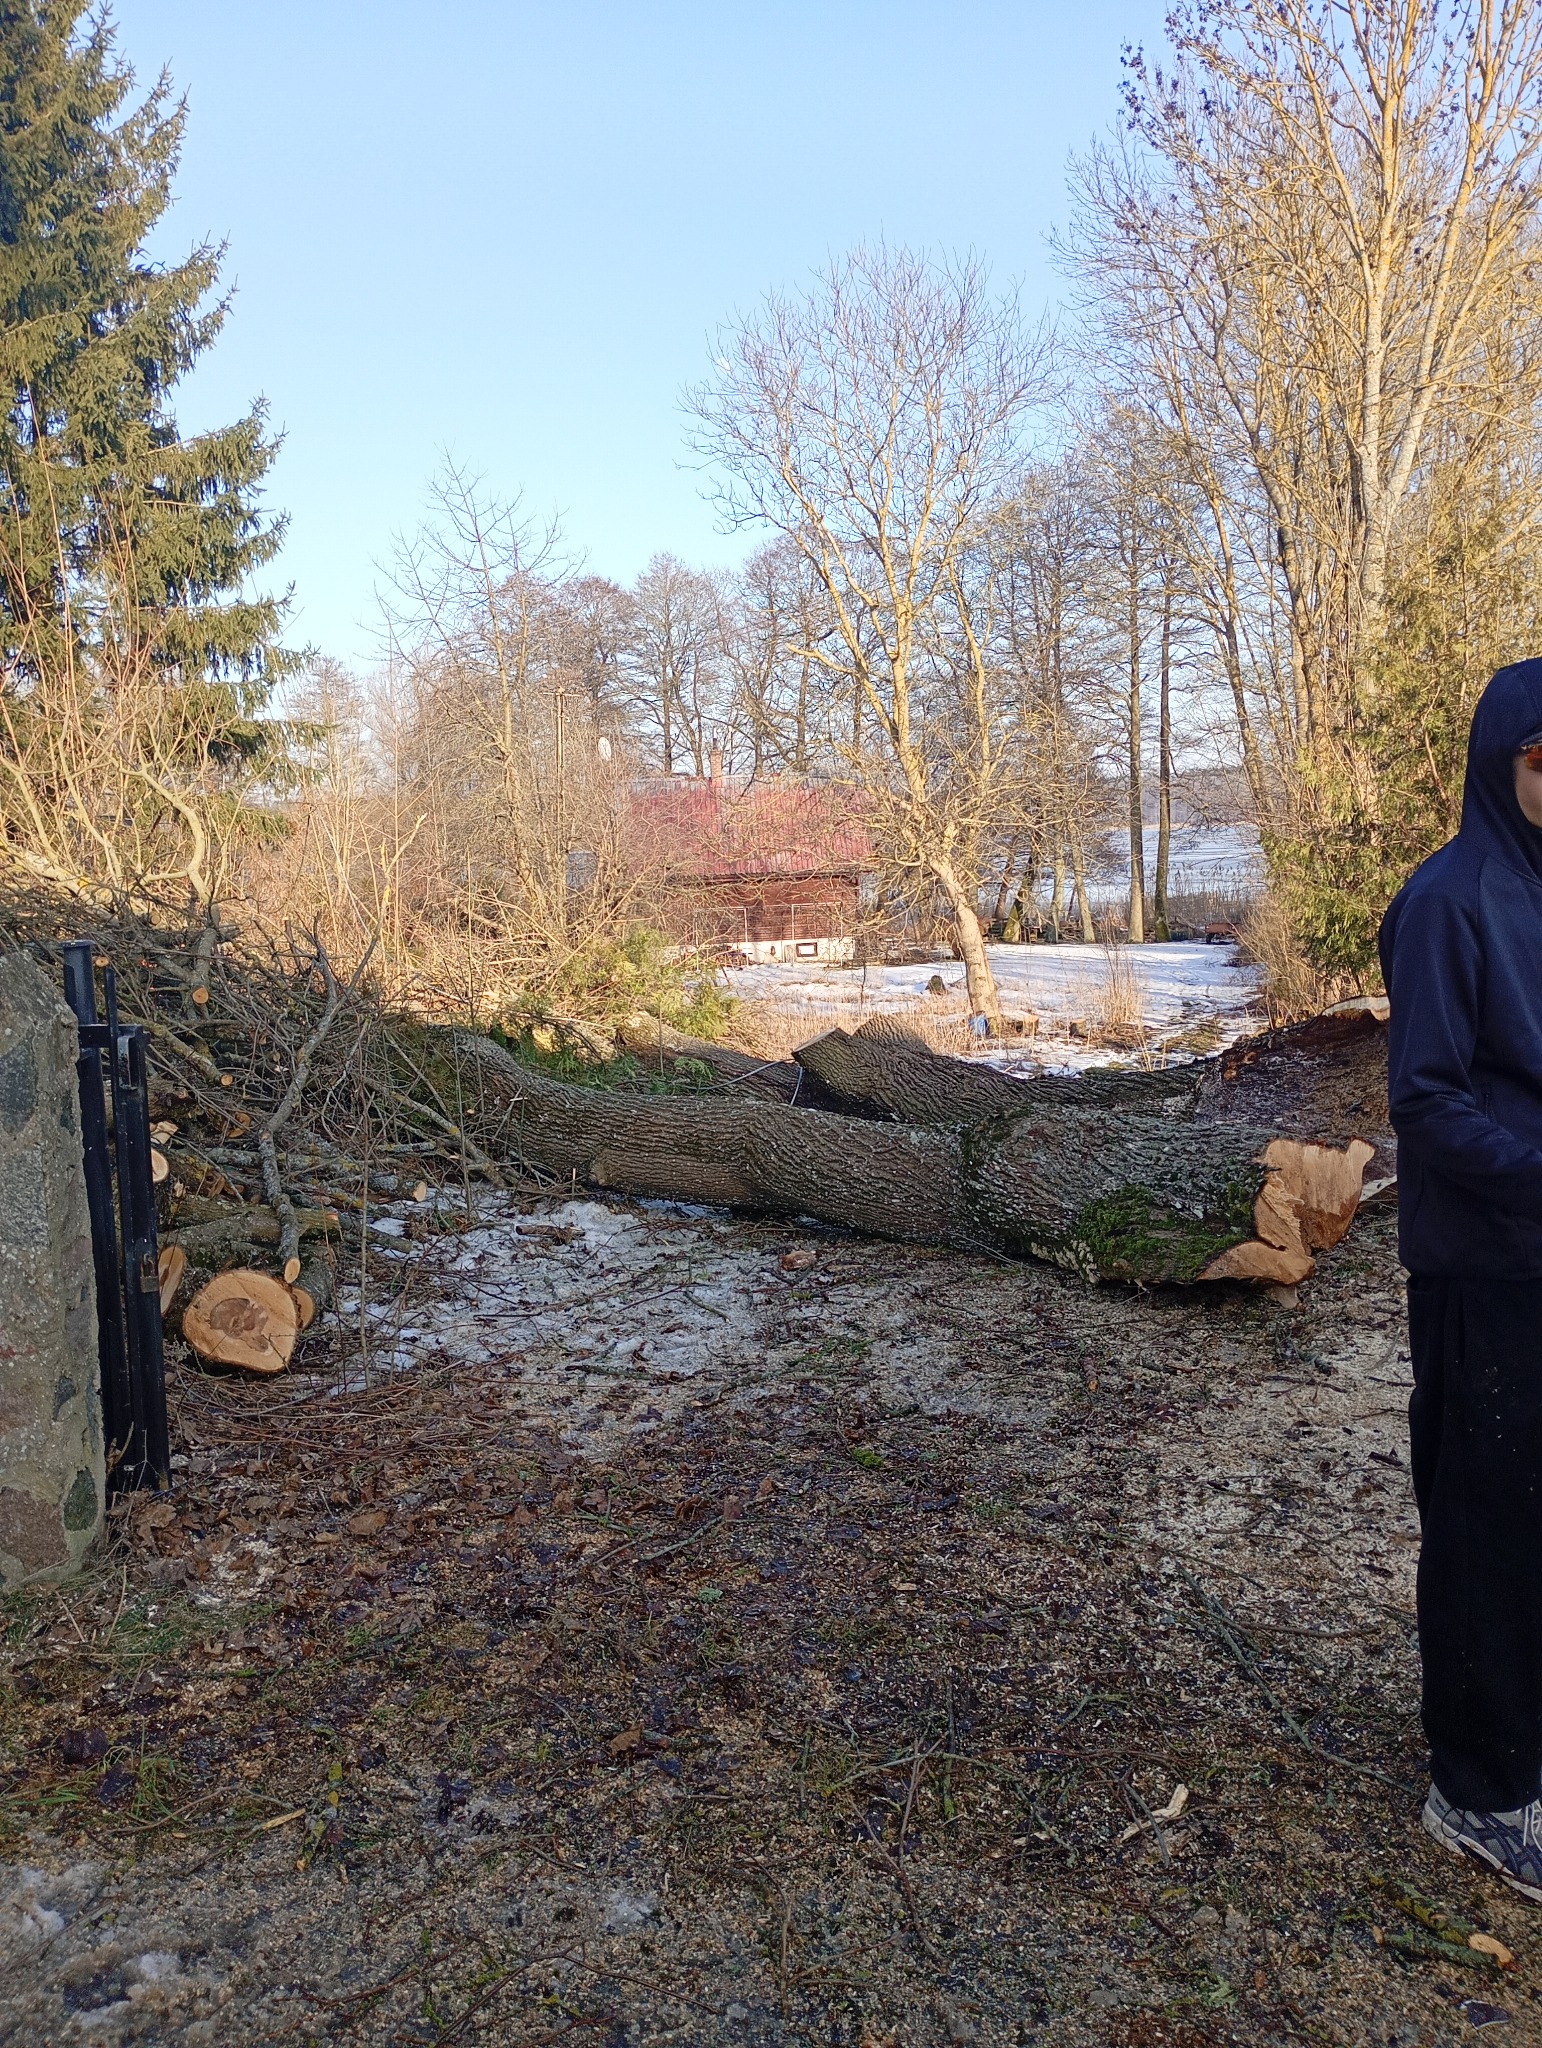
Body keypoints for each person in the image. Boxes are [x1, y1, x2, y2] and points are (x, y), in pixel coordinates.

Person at [1380, 657, 1542, 1901]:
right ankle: (1476, 1789)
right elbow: (1425, 1101)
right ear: (1508, 763)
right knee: (1486, 1518)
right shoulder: (1448, 902)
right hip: (1483, 1263)